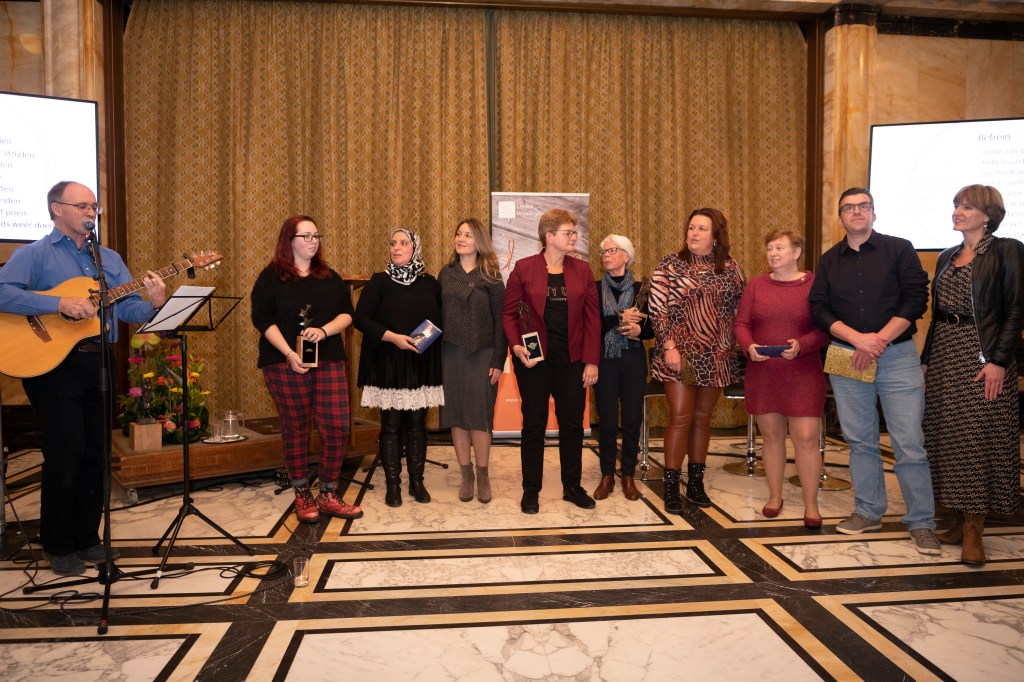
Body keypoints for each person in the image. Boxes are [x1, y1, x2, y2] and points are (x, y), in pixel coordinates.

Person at [0, 181, 167, 575]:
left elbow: (128, 311)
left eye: (95, 207)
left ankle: (87, 538)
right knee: (66, 452)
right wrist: (58, 302)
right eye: (83, 206)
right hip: (53, 366)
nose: (92, 212)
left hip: (99, 362)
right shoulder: (35, 254)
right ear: (57, 209)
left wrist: (155, 303)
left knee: (96, 453)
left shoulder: (108, 259)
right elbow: (2, 292)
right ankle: (58, 544)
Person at [808, 187, 941, 554]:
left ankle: (922, 522)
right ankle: (868, 511)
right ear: (840, 218)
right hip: (844, 353)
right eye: (848, 207)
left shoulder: (900, 248)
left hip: (897, 354)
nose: (856, 211)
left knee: (909, 442)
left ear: (873, 213)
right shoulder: (828, 260)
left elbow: (916, 298)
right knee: (859, 440)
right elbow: (819, 309)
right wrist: (857, 339)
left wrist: (878, 340)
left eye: (863, 206)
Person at [921, 185, 1023, 565]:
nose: (957, 211)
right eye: (956, 205)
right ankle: (955, 519)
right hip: (945, 355)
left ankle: (973, 530)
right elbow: (938, 315)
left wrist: (999, 361)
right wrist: (926, 360)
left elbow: (1016, 309)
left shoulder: (1006, 250)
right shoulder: (946, 256)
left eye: (967, 206)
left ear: (988, 215)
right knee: (945, 438)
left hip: (983, 359)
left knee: (976, 441)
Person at [250, 215, 363, 525]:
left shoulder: (329, 276)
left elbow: (347, 314)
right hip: (284, 362)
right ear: (290, 241)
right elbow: (262, 319)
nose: (314, 241)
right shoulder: (271, 277)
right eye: (307, 236)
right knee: (297, 428)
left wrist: (324, 331)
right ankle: (302, 492)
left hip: (328, 359)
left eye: (316, 236)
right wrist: (288, 353)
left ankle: (328, 493)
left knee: (337, 427)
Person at [501, 208, 600, 515]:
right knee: (534, 424)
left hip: (572, 359)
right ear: (549, 236)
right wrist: (516, 346)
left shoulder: (582, 270)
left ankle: (572, 487)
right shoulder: (524, 268)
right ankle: (531, 490)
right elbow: (508, 314)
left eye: (574, 232)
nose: (574, 237)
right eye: (568, 232)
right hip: (534, 359)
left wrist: (591, 361)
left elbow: (593, 319)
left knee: (572, 425)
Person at [649, 208, 745, 514]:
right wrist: (669, 346)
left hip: (717, 355)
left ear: (716, 235)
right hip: (680, 355)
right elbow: (657, 310)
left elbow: (741, 310)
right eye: (691, 227)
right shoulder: (670, 264)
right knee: (680, 417)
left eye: (702, 228)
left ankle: (696, 484)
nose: (694, 233)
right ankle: (670, 486)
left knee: (703, 419)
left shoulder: (731, 268)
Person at [734, 229, 828, 527]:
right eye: (769, 248)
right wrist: (749, 346)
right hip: (764, 373)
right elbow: (741, 324)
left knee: (806, 438)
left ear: (796, 252)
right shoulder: (756, 286)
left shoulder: (815, 284)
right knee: (772, 437)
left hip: (803, 372)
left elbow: (825, 328)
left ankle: (811, 504)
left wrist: (802, 345)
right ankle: (775, 496)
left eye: (779, 248)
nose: (773, 254)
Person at [355, 227, 443, 507]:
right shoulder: (379, 281)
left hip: (420, 361)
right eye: (393, 243)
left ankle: (417, 482)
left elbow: (440, 320)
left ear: (415, 248)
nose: (396, 247)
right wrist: (393, 338)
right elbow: (360, 319)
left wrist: (418, 342)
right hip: (387, 362)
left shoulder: (430, 283)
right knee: (391, 426)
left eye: (404, 243)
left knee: (417, 426)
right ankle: (393, 484)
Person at [438, 218, 507, 504]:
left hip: (483, 354)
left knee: (479, 416)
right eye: (458, 234)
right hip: (450, 353)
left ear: (479, 241)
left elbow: (501, 320)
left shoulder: (491, 276)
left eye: (467, 235)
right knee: (456, 415)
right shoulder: (445, 273)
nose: (461, 238)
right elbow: (436, 314)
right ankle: (466, 474)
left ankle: (483, 474)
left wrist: (499, 359)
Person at [592, 234, 653, 502]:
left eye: (612, 251)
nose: (606, 255)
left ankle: (628, 474)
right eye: (603, 252)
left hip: (633, 359)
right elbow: (590, 325)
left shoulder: (643, 290)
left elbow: (653, 328)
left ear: (627, 256)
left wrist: (640, 331)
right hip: (604, 360)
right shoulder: (594, 288)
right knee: (606, 420)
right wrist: (618, 318)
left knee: (631, 419)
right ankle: (607, 474)